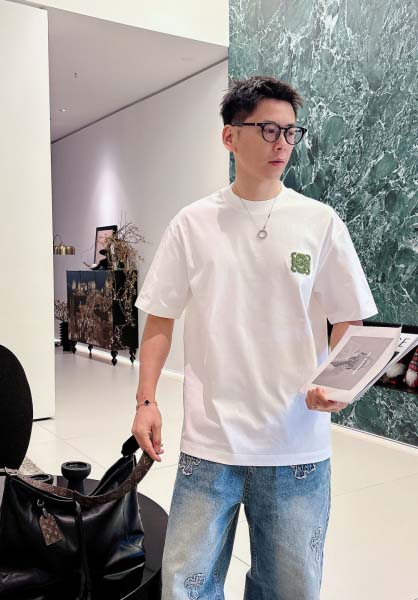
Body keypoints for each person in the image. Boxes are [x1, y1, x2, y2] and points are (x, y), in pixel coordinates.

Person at [132, 76, 377, 600]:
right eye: (268, 129)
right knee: (185, 587)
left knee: (290, 590)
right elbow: (160, 319)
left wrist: (338, 382)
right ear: (230, 137)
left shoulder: (320, 222)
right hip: (210, 445)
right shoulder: (193, 224)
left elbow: (349, 320)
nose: (281, 143)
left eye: (291, 131)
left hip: (296, 447)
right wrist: (146, 400)